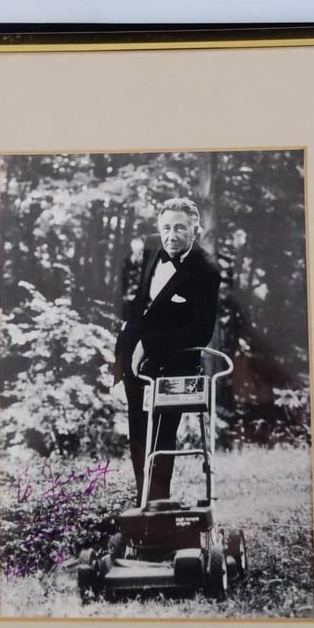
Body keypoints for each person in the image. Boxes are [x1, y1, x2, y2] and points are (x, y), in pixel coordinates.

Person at [113, 197, 221, 504]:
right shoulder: (151, 247)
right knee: (138, 433)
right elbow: (140, 307)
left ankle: (159, 507)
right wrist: (121, 360)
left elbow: (201, 331)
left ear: (195, 229)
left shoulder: (207, 271)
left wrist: (150, 345)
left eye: (180, 228)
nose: (171, 235)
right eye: (166, 228)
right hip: (137, 364)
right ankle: (142, 502)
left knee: (161, 437)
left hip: (176, 364)